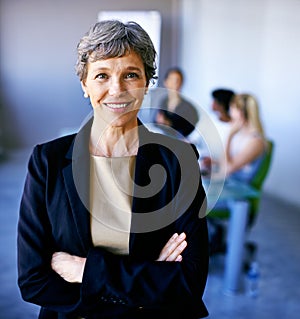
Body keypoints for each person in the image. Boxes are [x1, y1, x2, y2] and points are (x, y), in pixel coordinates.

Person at [17, 20, 209, 319]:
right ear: (85, 85)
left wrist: (84, 270)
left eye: (131, 75)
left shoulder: (179, 160)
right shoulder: (47, 161)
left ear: (147, 83)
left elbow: (190, 280)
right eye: (102, 75)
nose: (116, 90)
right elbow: (33, 280)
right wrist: (144, 287)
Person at [208, 93, 267, 255]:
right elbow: (226, 161)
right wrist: (211, 162)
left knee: (191, 203)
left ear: (242, 112)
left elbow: (229, 168)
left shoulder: (255, 141)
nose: (230, 111)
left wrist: (229, 135)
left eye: (233, 108)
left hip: (236, 197)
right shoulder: (242, 136)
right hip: (227, 187)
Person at [154, 67, 199, 138]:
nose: (174, 83)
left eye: (177, 80)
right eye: (171, 80)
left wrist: (169, 124)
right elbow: (155, 122)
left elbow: (189, 131)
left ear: (181, 83)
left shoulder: (189, 108)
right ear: (165, 82)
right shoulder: (162, 102)